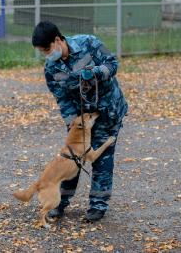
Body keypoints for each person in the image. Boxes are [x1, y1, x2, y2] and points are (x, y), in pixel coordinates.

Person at [32, 21, 128, 222]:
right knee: (71, 159)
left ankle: (97, 206)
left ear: (57, 40)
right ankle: (59, 203)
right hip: (80, 118)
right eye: (42, 52)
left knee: (102, 159)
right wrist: (71, 124)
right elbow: (62, 98)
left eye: (47, 49)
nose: (47, 55)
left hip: (107, 110)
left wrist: (95, 72)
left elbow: (112, 64)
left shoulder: (89, 43)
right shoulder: (51, 68)